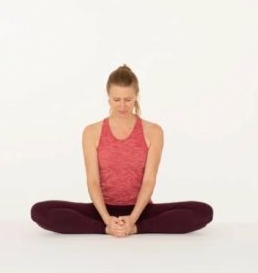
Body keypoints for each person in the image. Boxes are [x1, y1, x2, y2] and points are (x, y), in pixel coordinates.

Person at [30, 64, 213, 237]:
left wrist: (133, 220)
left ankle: (136, 229)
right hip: (102, 210)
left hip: (140, 210)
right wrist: (107, 221)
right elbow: (93, 181)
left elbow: (149, 180)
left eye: (128, 99)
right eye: (116, 99)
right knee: (40, 211)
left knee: (203, 211)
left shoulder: (153, 131)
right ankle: (105, 229)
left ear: (136, 96)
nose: (123, 106)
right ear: (108, 96)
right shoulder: (92, 132)